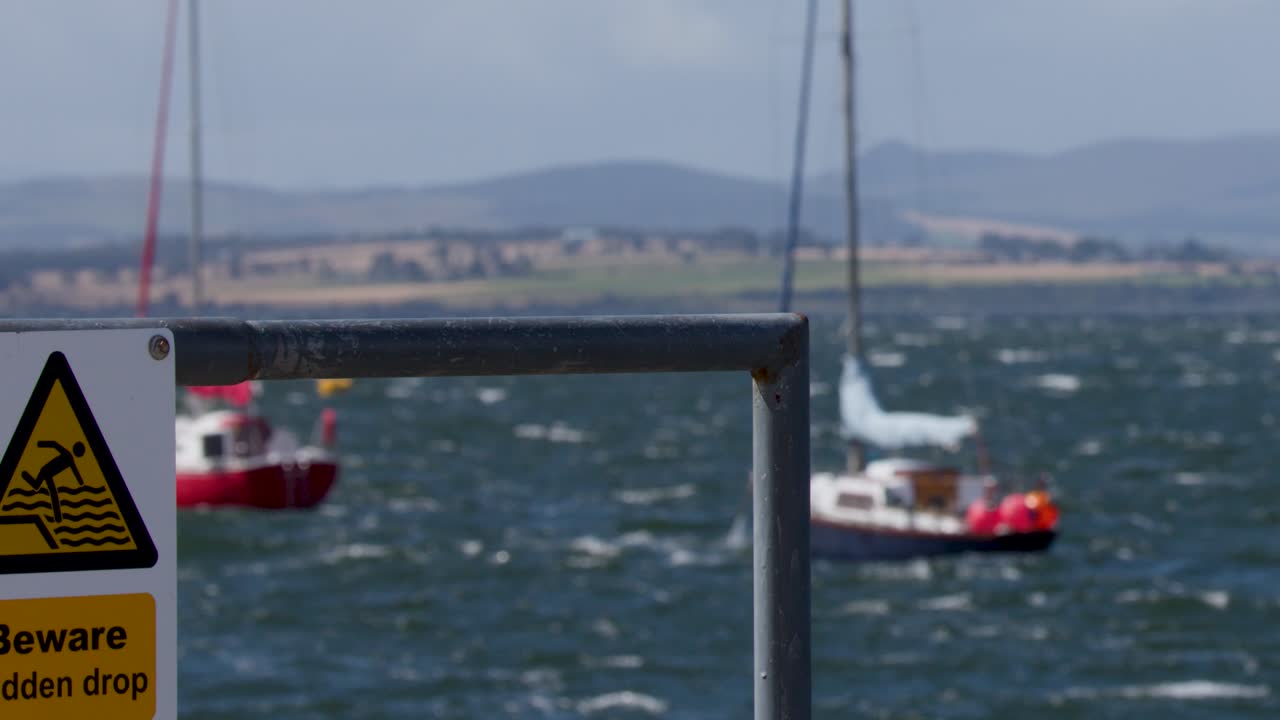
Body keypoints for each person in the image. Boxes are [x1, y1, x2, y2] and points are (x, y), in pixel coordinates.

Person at [21, 440, 86, 523]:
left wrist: (81, 482)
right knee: (52, 492)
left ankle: (25, 475)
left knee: (37, 486)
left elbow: (75, 471)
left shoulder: (70, 459)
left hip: (46, 472)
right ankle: (58, 518)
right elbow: (54, 444)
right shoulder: (68, 455)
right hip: (46, 471)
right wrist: (40, 443)